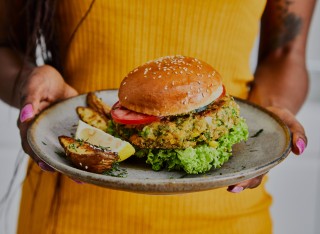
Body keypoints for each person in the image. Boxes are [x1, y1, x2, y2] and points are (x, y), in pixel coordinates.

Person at [0, 0, 315, 233]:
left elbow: (284, 54)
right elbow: (5, 46)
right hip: (68, 206)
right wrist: (27, 82)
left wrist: (265, 120)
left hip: (230, 212)